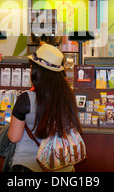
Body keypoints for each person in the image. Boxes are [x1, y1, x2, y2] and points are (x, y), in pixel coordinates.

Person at [7, 43, 82, 172]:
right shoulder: (68, 97)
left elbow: (14, 137)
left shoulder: (26, 99)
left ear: (37, 71)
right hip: (63, 165)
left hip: (29, 165)